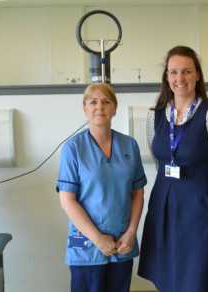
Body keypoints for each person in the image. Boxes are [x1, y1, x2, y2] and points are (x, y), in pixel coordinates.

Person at [138, 46, 208, 292]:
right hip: (163, 206)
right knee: (168, 275)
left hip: (199, 209)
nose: (180, 78)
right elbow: (159, 161)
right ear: (167, 77)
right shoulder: (155, 116)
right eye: (174, 72)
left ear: (198, 75)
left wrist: (200, 193)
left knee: (197, 277)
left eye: (187, 71)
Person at [57, 82, 147, 292]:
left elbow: (138, 193)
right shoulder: (73, 148)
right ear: (85, 109)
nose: (100, 107)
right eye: (93, 102)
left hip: (122, 243)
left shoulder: (129, 145)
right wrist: (98, 239)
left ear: (115, 108)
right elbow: (67, 201)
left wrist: (132, 232)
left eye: (106, 101)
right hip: (87, 246)